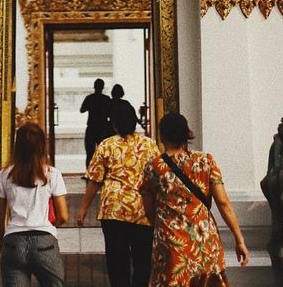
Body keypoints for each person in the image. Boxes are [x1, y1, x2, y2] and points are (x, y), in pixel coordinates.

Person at [141, 112, 249, 287]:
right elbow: (223, 203)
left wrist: (163, 227)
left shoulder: (153, 168)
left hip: (171, 244)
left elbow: (148, 211)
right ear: (188, 133)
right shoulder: (206, 161)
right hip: (205, 241)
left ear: (161, 136)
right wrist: (239, 239)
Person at [75, 108, 160, 287]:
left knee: (116, 259)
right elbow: (158, 178)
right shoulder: (150, 145)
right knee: (142, 258)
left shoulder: (107, 145)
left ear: (114, 125)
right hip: (142, 209)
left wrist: (83, 208)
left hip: (113, 210)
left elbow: (95, 180)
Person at [0, 123, 69, 287]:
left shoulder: (4, 176)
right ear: (42, 147)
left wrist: (4, 246)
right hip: (44, 243)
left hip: (13, 241)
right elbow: (63, 216)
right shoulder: (52, 175)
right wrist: (47, 226)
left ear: (17, 146)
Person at [80, 78, 112, 168]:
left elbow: (82, 110)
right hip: (103, 127)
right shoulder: (106, 99)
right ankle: (103, 171)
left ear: (94, 87)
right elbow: (110, 113)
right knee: (103, 152)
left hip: (92, 126)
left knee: (90, 152)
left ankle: (89, 171)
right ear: (103, 87)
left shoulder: (90, 98)